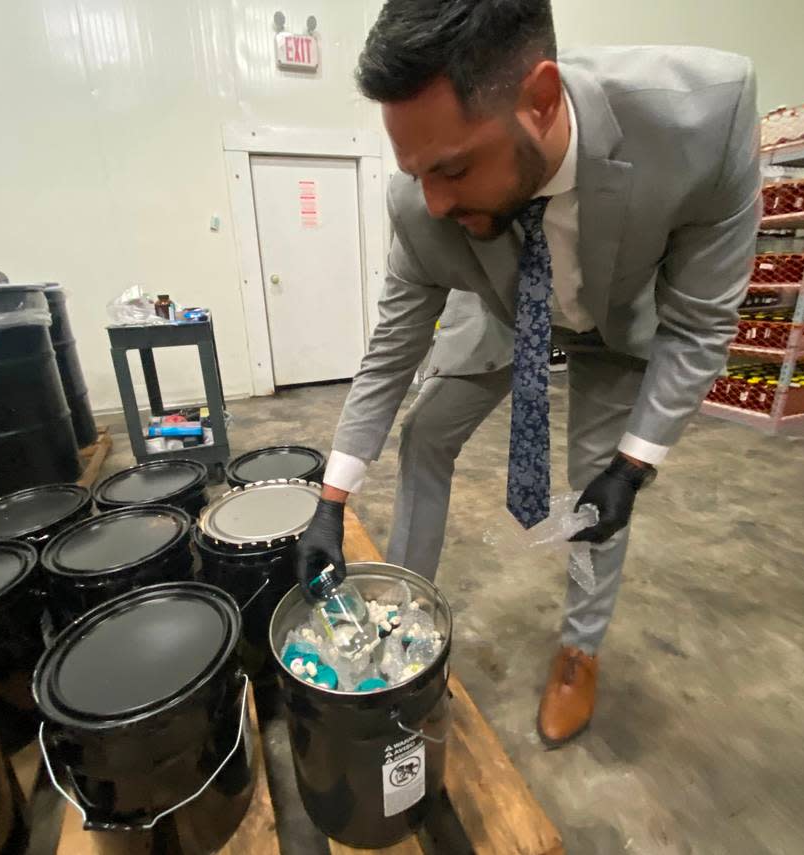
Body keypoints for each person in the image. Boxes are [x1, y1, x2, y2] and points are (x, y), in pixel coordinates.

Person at [295, 0, 759, 747]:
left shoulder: (702, 123)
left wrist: (634, 469)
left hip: (614, 318)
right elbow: (393, 349)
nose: (433, 201)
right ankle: (406, 613)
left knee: (594, 494)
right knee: (425, 435)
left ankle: (580, 649)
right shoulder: (427, 206)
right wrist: (331, 500)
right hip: (503, 304)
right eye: (417, 174)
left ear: (541, 100)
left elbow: (700, 323)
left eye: (451, 167)